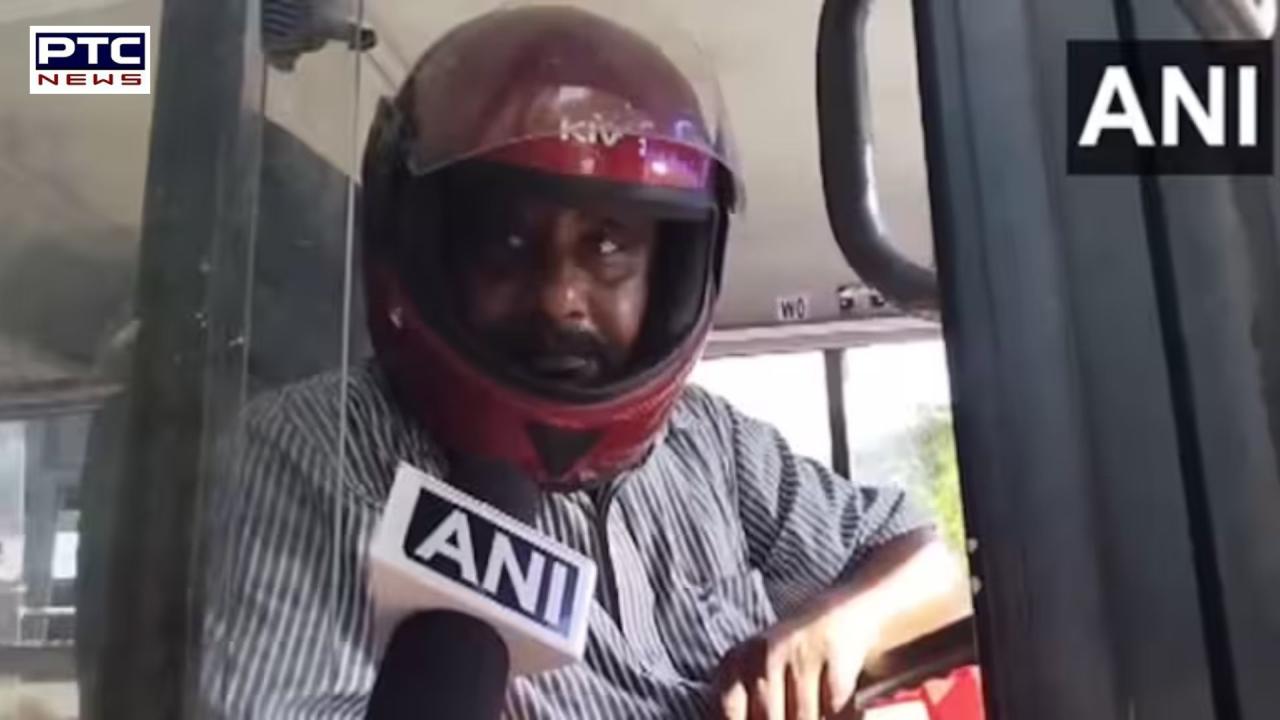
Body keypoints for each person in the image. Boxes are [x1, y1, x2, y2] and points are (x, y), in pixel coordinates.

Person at [199, 4, 970, 719]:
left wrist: (837, 626)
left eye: (607, 247)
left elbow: (928, 567)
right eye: (507, 243)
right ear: (437, 255)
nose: (561, 296)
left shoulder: (710, 446)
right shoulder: (316, 453)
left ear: (666, 275)